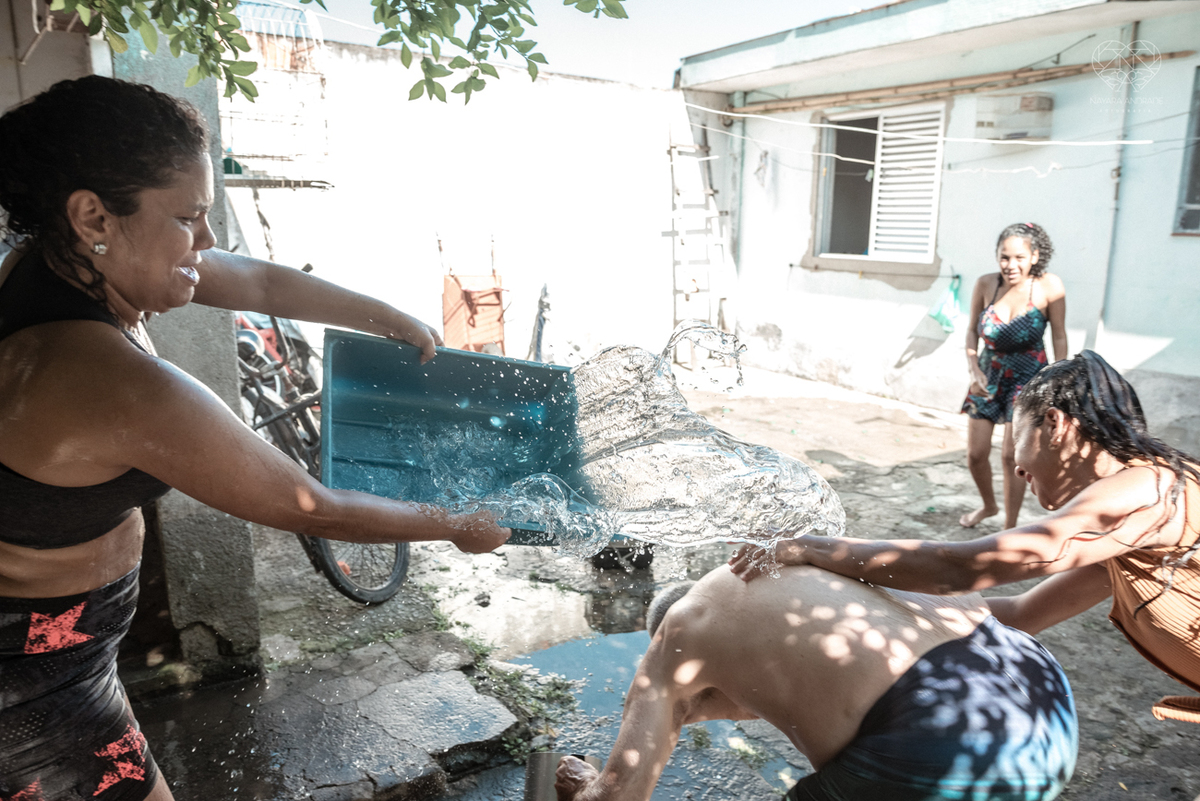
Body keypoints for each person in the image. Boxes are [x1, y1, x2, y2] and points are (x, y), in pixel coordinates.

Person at [0, 76, 509, 801]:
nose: (206, 240)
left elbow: (261, 285)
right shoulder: (113, 382)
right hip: (32, 682)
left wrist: (384, 316)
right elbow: (311, 507)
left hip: (57, 647)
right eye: (189, 217)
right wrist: (456, 526)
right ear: (92, 215)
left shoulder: (44, 266)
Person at [732, 350, 1200, 725]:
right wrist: (875, 604)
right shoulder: (1128, 531)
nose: (1016, 467)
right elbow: (1021, 613)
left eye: (1018, 440)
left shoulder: (1145, 494)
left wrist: (809, 547)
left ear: (1056, 426)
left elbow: (961, 568)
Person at [554, 567, 1078, 801]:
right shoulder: (792, 561)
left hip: (942, 744)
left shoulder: (679, 638)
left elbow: (616, 799)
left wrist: (585, 787)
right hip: (1046, 705)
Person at [960, 222, 1067, 530]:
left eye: (1019, 257)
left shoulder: (1049, 286)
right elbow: (970, 330)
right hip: (987, 376)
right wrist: (973, 367)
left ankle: (1009, 528)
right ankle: (988, 506)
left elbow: (1059, 336)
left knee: (1011, 457)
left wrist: (1059, 381)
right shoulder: (985, 285)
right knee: (976, 454)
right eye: (1004, 257)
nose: (1011, 265)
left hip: (1029, 379)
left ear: (1034, 256)